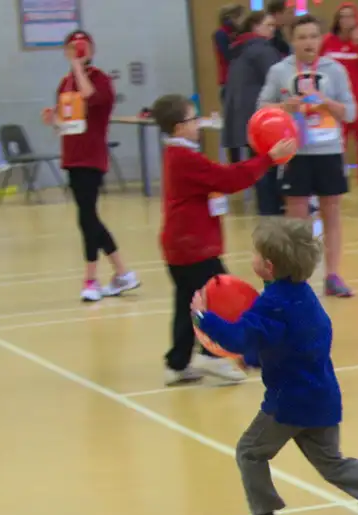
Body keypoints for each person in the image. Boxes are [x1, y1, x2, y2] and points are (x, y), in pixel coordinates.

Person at [191, 219, 358, 515]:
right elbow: (289, 343)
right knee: (333, 464)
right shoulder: (302, 297)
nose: (252, 256)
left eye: (255, 252)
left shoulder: (272, 303)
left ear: (268, 265)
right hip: (322, 396)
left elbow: (236, 335)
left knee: (249, 452)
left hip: (290, 403)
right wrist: (253, 358)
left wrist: (203, 317)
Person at [153, 93, 295, 387]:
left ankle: (177, 363)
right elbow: (229, 179)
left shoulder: (178, 154)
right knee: (219, 298)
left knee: (186, 301)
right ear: (179, 127)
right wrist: (268, 158)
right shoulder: (184, 158)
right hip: (193, 246)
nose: (198, 124)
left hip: (180, 244)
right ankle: (212, 355)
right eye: (193, 119)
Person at [259, 14, 356, 297]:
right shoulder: (279, 71)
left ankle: (333, 275)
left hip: (328, 151)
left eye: (313, 36)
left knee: (332, 214)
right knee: (297, 217)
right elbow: (261, 109)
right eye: (302, 37)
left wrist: (325, 101)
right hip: (295, 151)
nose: (308, 42)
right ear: (292, 41)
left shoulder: (335, 70)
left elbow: (351, 112)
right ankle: (295, 277)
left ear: (320, 39)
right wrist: (285, 108)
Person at [43, 30, 138, 304]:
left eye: (82, 47)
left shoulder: (100, 80)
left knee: (86, 217)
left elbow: (88, 95)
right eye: (72, 47)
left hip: (91, 156)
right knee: (88, 217)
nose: (78, 50)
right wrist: (53, 120)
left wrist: (77, 65)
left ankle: (91, 278)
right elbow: (66, 121)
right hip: (72, 156)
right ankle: (122, 272)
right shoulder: (64, 83)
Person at [223, 10, 285, 217]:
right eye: (268, 25)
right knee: (270, 161)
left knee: (259, 161)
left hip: (244, 114)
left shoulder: (239, 49)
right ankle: (272, 205)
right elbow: (278, 80)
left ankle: (265, 205)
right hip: (263, 116)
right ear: (255, 27)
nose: (273, 29)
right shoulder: (262, 50)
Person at [321, 3, 358, 208]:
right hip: (337, 104)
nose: (346, 21)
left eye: (350, 17)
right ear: (337, 20)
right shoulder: (328, 42)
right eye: (342, 17)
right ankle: (336, 186)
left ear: (356, 19)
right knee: (337, 146)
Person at [212, 4, 247, 104]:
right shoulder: (221, 34)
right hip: (228, 79)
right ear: (231, 18)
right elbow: (228, 55)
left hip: (240, 78)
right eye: (240, 16)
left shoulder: (240, 33)